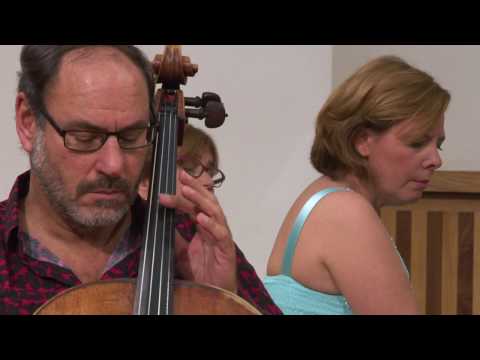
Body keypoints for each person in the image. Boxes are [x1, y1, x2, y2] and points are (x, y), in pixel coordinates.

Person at [0, 45, 270, 315]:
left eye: (131, 137)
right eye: (84, 137)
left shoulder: (193, 241)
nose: (114, 165)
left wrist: (221, 302)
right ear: (28, 122)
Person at [264, 56, 450, 315]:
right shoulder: (346, 212)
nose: (436, 160)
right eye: (417, 143)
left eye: (437, 145)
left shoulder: (322, 196)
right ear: (362, 140)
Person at [138, 124, 282, 314]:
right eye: (191, 169)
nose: (208, 182)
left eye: (211, 172)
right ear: (144, 182)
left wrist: (224, 294)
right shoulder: (129, 239)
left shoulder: (208, 236)